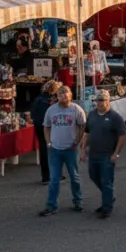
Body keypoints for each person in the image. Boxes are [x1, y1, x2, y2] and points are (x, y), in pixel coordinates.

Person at [39, 85, 86, 217]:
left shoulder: (76, 109)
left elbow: (82, 125)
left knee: (74, 177)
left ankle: (78, 201)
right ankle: (51, 206)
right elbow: (46, 127)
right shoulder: (51, 110)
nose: (63, 96)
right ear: (57, 96)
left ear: (70, 96)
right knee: (54, 179)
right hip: (55, 150)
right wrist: (48, 142)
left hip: (71, 150)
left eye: (65, 94)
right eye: (60, 94)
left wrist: (77, 141)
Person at [80, 89, 126, 219]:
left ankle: (107, 208)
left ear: (108, 101)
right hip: (93, 154)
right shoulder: (92, 115)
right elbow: (87, 133)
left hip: (107, 155)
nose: (100, 103)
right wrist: (83, 149)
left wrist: (116, 153)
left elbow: (122, 135)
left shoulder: (115, 117)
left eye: (102, 100)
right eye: (98, 100)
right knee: (94, 176)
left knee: (106, 181)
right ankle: (109, 196)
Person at [30, 80, 60, 185]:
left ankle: (45, 176)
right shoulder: (52, 101)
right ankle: (54, 174)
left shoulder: (38, 99)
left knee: (43, 149)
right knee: (53, 150)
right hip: (49, 127)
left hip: (38, 125)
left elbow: (32, 112)